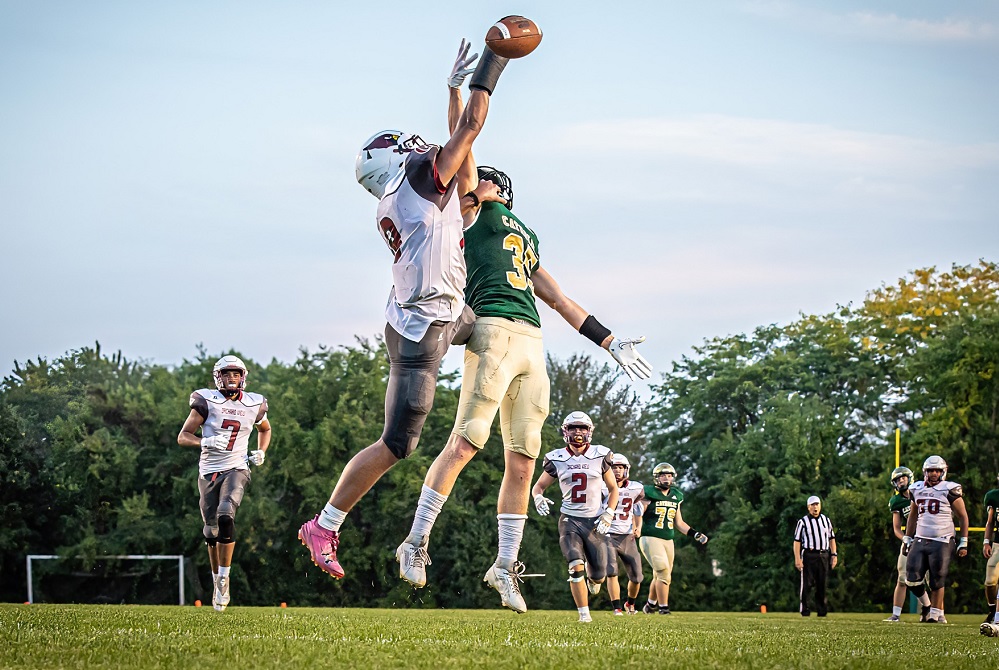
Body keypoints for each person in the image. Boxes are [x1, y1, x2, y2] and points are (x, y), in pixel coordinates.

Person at [393, 46, 652, 613]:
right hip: (491, 330)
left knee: (525, 457)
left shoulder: (522, 233)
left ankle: (505, 566)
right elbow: (465, 138)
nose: (473, 181)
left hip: (532, 342)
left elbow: (557, 297)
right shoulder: (471, 212)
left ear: (500, 188)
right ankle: (416, 543)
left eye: (483, 181)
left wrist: (608, 340)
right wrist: (456, 92)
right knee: (465, 443)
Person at [297, 39, 515, 579]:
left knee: (488, 325)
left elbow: (459, 147)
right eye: (408, 147)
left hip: (436, 313)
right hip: (423, 331)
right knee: (399, 443)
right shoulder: (416, 184)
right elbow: (468, 133)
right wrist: (494, 66)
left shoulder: (413, 194)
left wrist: (451, 89)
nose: (421, 149)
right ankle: (324, 524)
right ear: (393, 163)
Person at [177, 355, 271, 612]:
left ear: (244, 376)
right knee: (210, 530)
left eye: (236, 374)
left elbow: (265, 429)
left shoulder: (254, 404)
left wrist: (261, 451)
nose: (232, 378)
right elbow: (183, 436)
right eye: (228, 374)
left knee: (226, 515)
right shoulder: (206, 402)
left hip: (237, 467)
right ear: (219, 376)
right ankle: (216, 577)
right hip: (208, 471)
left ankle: (225, 577)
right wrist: (203, 442)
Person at [531, 411, 619, 623]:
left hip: (595, 521)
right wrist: (537, 497)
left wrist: (609, 512)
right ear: (565, 431)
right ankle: (584, 615)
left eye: (582, 428)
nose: (577, 432)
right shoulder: (556, 458)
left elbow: (613, 488)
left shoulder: (601, 455)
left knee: (598, 574)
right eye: (573, 428)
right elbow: (539, 486)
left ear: (590, 431)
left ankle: (594, 579)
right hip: (570, 519)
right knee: (575, 564)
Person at [903, 455, 969, 624]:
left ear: (943, 472)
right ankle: (928, 605)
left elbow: (963, 517)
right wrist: (907, 538)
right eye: (930, 470)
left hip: (943, 538)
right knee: (910, 579)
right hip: (920, 537)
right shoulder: (916, 488)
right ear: (925, 472)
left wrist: (964, 541)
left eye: (937, 471)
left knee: (937, 578)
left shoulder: (949, 489)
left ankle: (935, 614)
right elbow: (913, 516)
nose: (933, 474)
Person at [639, 462, 708, 615]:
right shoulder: (648, 492)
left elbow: (679, 522)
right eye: (663, 475)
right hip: (650, 536)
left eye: (669, 475)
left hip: (668, 540)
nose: (666, 478)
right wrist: (633, 529)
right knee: (663, 571)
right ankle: (664, 608)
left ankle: (650, 606)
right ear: (657, 477)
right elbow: (637, 515)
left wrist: (695, 534)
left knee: (661, 574)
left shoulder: (676, 495)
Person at [883, 466, 932, 622]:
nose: (900, 481)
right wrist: (905, 539)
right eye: (897, 479)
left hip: (930, 539)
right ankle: (896, 615)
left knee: (934, 580)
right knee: (902, 578)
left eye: (902, 477)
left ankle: (937, 614)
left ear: (909, 478)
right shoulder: (896, 501)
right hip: (911, 541)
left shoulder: (921, 491)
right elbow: (897, 528)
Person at [600, 454, 645, 615]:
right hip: (607, 534)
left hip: (627, 536)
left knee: (637, 576)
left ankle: (630, 604)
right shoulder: (601, 487)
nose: (617, 470)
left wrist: (638, 527)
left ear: (626, 470)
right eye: (613, 467)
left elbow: (638, 509)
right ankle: (616, 607)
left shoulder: (635, 488)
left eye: (620, 467)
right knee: (612, 571)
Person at [794, 495, 837, 617]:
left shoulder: (826, 520)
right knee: (807, 584)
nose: (815, 507)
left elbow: (831, 538)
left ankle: (822, 611)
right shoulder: (803, 522)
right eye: (812, 505)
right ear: (808, 507)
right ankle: (805, 610)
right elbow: (797, 541)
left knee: (822, 583)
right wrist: (798, 558)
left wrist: (834, 554)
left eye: (817, 504)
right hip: (809, 554)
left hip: (823, 554)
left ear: (820, 506)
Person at [979, 473, 999, 637]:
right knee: (990, 581)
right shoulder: (993, 496)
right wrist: (986, 541)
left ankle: (997, 620)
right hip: (998, 544)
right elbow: (990, 521)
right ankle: (993, 610)